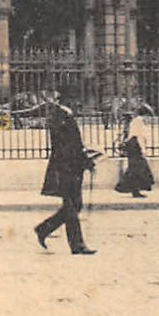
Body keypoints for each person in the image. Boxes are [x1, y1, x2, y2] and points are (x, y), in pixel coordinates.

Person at [34, 89, 98, 255]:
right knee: (71, 207)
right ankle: (77, 245)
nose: (78, 105)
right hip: (66, 168)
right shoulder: (61, 116)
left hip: (70, 167)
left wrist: (85, 157)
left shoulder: (63, 115)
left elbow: (73, 145)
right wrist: (85, 160)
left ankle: (43, 229)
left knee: (75, 205)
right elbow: (68, 147)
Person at [114, 103, 156, 198]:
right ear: (145, 115)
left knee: (134, 169)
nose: (148, 119)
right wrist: (143, 150)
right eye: (148, 116)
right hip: (135, 146)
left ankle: (133, 190)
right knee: (137, 169)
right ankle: (128, 188)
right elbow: (139, 137)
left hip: (132, 146)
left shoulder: (136, 121)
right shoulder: (139, 122)